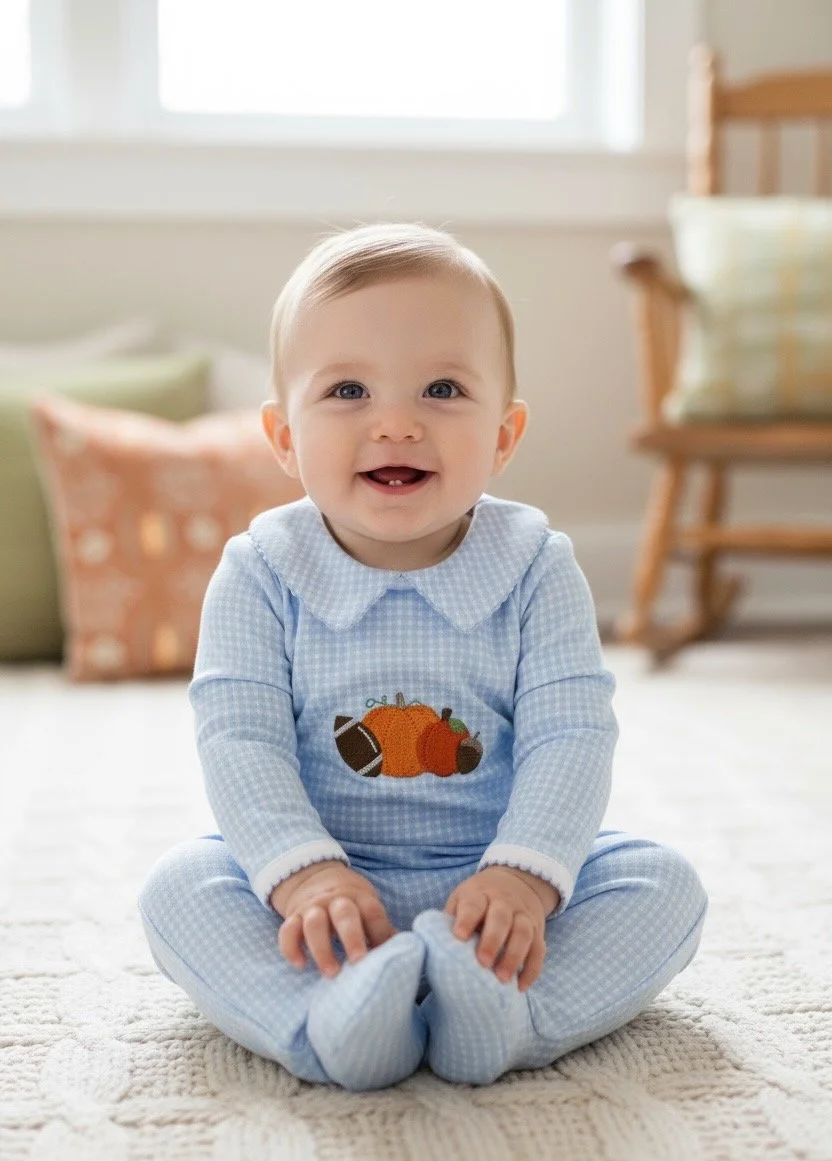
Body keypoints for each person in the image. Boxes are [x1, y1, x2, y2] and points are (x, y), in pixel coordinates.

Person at [138, 222, 708, 1091]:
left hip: (494, 887)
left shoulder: (535, 565)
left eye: (442, 388)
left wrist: (524, 876)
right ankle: (330, 1020)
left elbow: (571, 735)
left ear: (505, 434)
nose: (395, 423)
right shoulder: (261, 572)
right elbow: (238, 741)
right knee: (180, 888)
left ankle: (509, 1016)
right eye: (348, 391)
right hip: (330, 891)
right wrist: (303, 875)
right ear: (284, 438)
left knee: (663, 885)